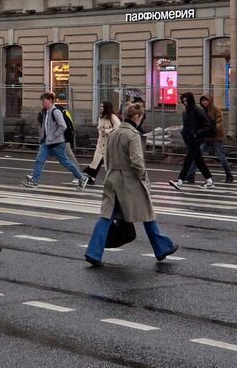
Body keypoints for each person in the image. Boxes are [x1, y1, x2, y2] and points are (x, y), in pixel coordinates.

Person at [84, 102, 178, 266]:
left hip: (112, 177)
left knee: (106, 216)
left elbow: (106, 155)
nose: (141, 120)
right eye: (141, 117)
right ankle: (161, 247)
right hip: (129, 181)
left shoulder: (113, 133)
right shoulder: (132, 135)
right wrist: (143, 177)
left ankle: (93, 252)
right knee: (147, 214)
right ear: (136, 117)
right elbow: (137, 161)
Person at [21, 93, 86, 189]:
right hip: (46, 142)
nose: (42, 103)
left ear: (50, 101)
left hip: (57, 143)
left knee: (65, 162)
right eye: (42, 101)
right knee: (39, 160)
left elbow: (63, 126)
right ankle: (34, 181)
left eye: (44, 101)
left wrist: (54, 136)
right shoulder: (46, 112)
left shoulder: (55, 111)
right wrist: (43, 137)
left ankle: (81, 178)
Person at [169, 92, 215, 190]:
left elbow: (208, 125)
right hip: (189, 139)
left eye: (186, 100)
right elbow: (187, 126)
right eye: (184, 101)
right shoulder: (186, 112)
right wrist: (185, 133)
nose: (185, 103)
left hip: (196, 139)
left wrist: (197, 134)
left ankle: (180, 181)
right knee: (199, 161)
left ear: (191, 100)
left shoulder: (198, 111)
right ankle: (209, 180)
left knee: (188, 160)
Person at [186, 94, 233, 184]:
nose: (204, 102)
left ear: (210, 101)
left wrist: (211, 129)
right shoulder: (200, 111)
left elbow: (219, 123)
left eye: (206, 100)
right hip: (204, 138)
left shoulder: (216, 110)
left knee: (221, 157)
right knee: (196, 156)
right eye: (203, 101)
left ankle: (229, 175)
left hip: (215, 137)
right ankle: (190, 176)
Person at [84, 102, 121, 186]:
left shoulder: (112, 117)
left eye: (102, 106)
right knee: (96, 161)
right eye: (100, 106)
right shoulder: (101, 118)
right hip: (101, 144)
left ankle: (113, 180)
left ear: (106, 108)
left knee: (108, 163)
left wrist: (108, 131)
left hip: (110, 144)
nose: (100, 108)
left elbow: (118, 128)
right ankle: (92, 178)